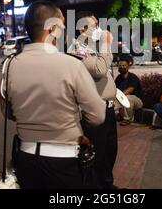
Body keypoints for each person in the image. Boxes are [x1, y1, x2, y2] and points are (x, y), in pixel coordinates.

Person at [3, 1, 106, 189]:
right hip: (64, 161)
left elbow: (8, 112)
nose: (65, 28)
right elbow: (98, 115)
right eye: (62, 24)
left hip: (25, 158)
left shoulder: (10, 65)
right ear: (52, 28)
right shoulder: (71, 64)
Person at [68, 11, 118, 189]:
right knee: (97, 156)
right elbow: (99, 70)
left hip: (109, 110)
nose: (99, 28)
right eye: (94, 25)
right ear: (82, 28)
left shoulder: (93, 48)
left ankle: (107, 186)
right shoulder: (77, 48)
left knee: (110, 152)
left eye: (98, 24)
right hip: (95, 111)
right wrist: (106, 44)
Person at [114, 56, 143, 126]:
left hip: (137, 101)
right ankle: (116, 115)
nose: (121, 67)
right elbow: (115, 89)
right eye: (120, 66)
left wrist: (118, 96)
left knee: (127, 97)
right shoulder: (118, 78)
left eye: (124, 65)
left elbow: (130, 90)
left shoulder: (132, 77)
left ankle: (127, 119)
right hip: (122, 98)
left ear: (128, 67)